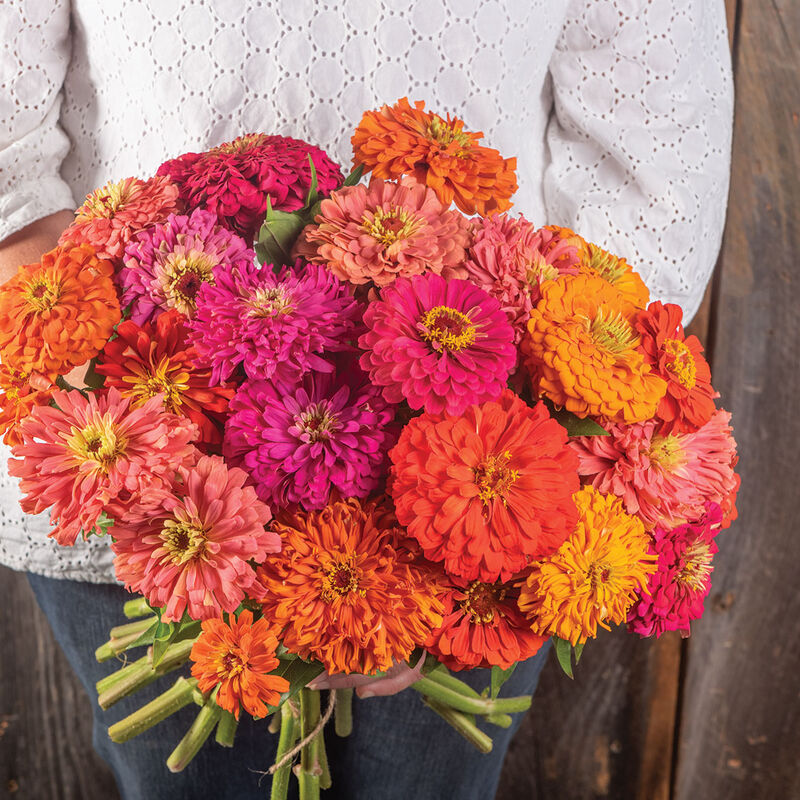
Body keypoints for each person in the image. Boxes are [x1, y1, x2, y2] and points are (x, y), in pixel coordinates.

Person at [0, 1, 733, 798]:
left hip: (480, 468)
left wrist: (456, 526)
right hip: (135, 456)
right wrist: (94, 387)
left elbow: (660, 140)